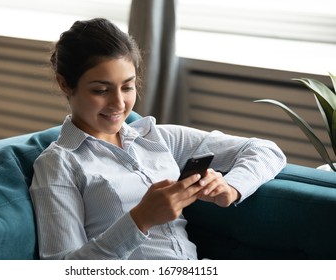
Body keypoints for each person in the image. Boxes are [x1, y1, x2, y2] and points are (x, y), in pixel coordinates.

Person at [29, 18, 286, 260]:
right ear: (65, 85)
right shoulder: (58, 164)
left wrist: (231, 187)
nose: (119, 103)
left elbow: (266, 151)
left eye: (127, 87)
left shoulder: (160, 138)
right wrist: (140, 220)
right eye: (101, 90)